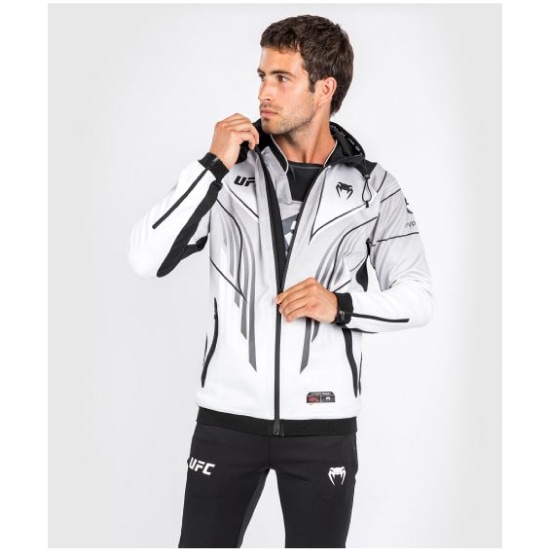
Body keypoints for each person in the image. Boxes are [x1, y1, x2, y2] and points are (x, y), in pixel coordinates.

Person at [128, 14, 433, 548]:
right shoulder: (228, 173)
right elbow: (146, 258)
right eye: (262, 76)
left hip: (324, 429)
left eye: (281, 78)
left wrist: (339, 305)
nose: (263, 93)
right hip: (226, 421)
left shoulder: (373, 187)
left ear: (324, 89)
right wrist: (212, 164)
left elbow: (419, 297)